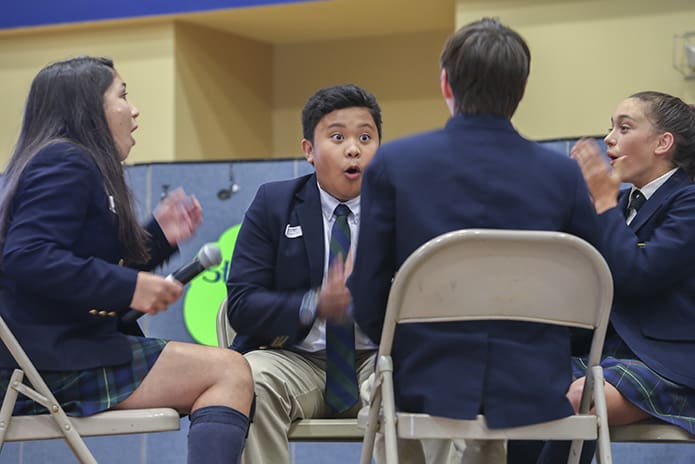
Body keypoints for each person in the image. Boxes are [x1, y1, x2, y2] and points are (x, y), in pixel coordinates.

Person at [348, 18, 602, 464]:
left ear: (446, 83)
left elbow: (368, 297)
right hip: (535, 384)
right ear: (521, 89)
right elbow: (591, 298)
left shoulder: (396, 163)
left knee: (378, 391)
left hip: (426, 380)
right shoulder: (563, 175)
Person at [0, 56, 253, 464]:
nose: (133, 109)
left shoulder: (70, 163)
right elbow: (29, 257)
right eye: (122, 95)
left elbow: (77, 266)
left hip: (57, 351)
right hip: (46, 361)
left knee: (228, 371)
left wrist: (156, 236)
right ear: (88, 108)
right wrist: (131, 288)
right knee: (228, 371)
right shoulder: (67, 161)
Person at [524, 91, 695, 464]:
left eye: (624, 127)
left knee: (578, 400)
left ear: (663, 143)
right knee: (521, 385)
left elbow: (639, 272)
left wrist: (601, 202)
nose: (608, 138)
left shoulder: (689, 201)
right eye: (610, 126)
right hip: (607, 352)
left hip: (667, 363)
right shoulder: (618, 204)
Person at [225, 84, 382, 464]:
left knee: (418, 379)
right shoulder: (274, 203)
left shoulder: (401, 206)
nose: (353, 149)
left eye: (365, 136)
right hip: (298, 360)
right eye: (338, 136)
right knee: (250, 379)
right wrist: (314, 303)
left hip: (378, 359)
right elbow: (242, 305)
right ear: (308, 151)